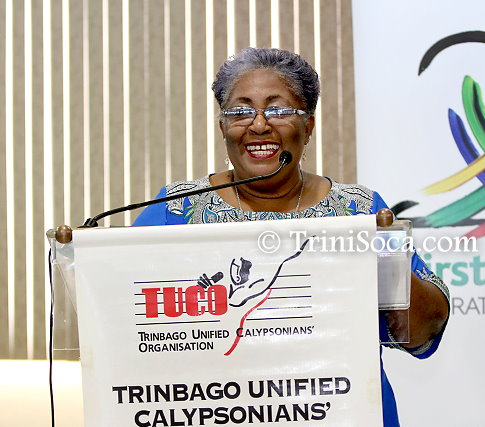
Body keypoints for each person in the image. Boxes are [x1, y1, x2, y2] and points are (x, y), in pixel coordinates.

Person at [133, 47, 450, 426]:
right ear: (222, 126)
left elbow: (424, 330)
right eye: (240, 111)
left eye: (278, 110)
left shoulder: (359, 210)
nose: (259, 125)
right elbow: (119, 316)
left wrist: (385, 263)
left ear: (309, 125)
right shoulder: (174, 210)